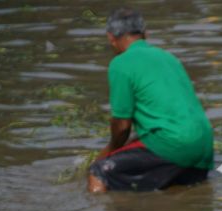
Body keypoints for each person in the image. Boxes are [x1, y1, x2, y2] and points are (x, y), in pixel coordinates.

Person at [87, 8, 214, 193]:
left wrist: (106, 154)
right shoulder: (168, 57)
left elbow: (122, 127)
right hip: (203, 146)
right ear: (145, 34)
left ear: (111, 38)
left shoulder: (121, 64)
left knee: (98, 172)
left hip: (174, 144)